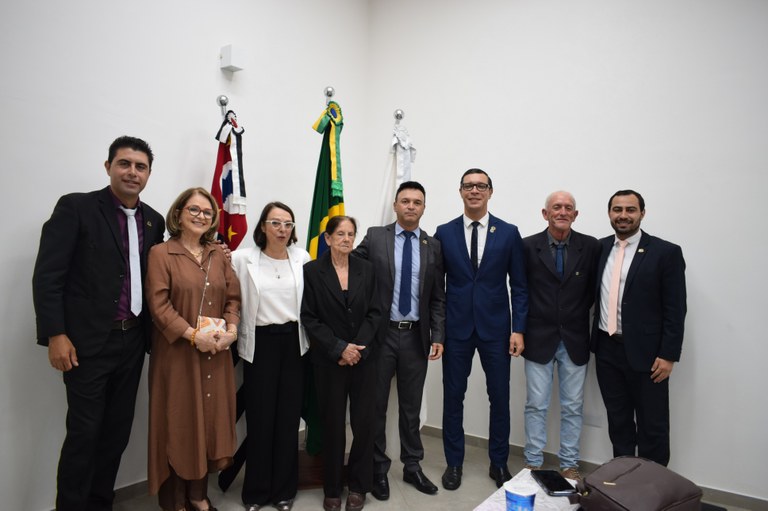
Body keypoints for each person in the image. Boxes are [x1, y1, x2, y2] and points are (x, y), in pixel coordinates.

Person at [32, 136, 165, 511]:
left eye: (140, 167)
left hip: (133, 342)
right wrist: (56, 334)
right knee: (84, 433)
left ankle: (100, 503)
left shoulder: (153, 220)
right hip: (86, 344)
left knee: (116, 433)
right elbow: (48, 276)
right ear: (108, 167)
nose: (132, 172)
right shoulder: (77, 208)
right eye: (124, 164)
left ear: (148, 174)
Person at [145, 187, 241, 511]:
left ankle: (199, 496)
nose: (201, 216)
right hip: (178, 356)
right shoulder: (161, 254)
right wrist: (191, 336)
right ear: (178, 213)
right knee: (179, 423)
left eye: (207, 212)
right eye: (194, 210)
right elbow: (159, 306)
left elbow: (233, 299)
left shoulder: (218, 254)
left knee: (208, 423)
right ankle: (175, 502)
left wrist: (231, 331)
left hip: (215, 354)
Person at [434, 168, 528, 490]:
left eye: (481, 186)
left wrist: (518, 329)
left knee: (499, 398)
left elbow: (519, 286)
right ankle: (454, 464)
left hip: (496, 330)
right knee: (453, 398)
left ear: (490, 191)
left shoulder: (509, 233)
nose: (474, 190)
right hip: (456, 330)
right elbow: (437, 288)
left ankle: (498, 463)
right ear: (460, 191)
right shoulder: (444, 232)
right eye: (468, 186)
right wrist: (438, 332)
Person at [352, 181, 446, 500]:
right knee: (376, 405)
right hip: (382, 336)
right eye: (405, 201)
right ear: (395, 205)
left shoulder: (433, 246)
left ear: (424, 208)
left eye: (417, 202)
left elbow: (438, 297)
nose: (410, 206)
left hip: (416, 337)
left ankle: (412, 466)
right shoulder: (376, 237)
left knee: (410, 407)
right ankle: (378, 469)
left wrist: (438, 335)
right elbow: (349, 267)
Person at [591, 190, 687, 466]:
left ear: (642, 213)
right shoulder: (598, 249)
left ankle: (652, 485)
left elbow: (675, 308)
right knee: (618, 421)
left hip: (649, 355)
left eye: (630, 210)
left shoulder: (665, 252)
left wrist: (668, 355)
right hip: (607, 350)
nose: (623, 215)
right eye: (617, 209)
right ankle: (622, 480)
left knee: (652, 425)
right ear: (609, 213)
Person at [231, 202, 311, 511]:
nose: (282, 229)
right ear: (263, 226)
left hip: (294, 344)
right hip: (260, 345)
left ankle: (283, 491)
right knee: (260, 419)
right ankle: (256, 492)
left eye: (288, 224)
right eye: (275, 223)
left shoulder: (302, 257)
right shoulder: (242, 259)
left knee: (288, 420)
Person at [301, 216, 382, 511]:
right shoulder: (312, 271)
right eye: (340, 234)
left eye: (351, 234)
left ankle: (359, 486)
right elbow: (309, 317)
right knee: (333, 426)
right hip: (329, 361)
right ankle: (332, 488)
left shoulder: (367, 269)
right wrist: (339, 348)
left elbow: (376, 312)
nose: (346, 239)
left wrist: (356, 348)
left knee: (364, 424)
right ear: (328, 238)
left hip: (363, 359)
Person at [521, 191, 599, 480]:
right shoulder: (527, 246)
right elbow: (521, 291)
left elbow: (593, 290)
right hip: (538, 337)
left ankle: (569, 464)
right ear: (546, 213)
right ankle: (532, 462)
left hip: (575, 339)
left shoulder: (590, 247)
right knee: (536, 405)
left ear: (575, 215)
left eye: (568, 208)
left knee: (573, 407)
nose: (563, 211)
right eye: (557, 207)